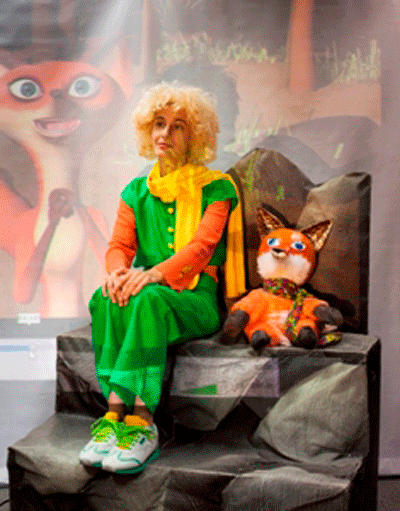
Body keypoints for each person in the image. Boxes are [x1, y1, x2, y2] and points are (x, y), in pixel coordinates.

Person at [79, 82, 246, 474]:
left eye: (178, 126)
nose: (165, 134)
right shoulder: (135, 191)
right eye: (158, 123)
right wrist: (118, 274)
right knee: (104, 296)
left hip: (196, 299)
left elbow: (202, 248)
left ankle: (141, 423)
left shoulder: (217, 188)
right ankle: (113, 420)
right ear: (147, 129)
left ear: (196, 135)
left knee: (148, 299)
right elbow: (119, 246)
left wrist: (153, 275)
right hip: (150, 291)